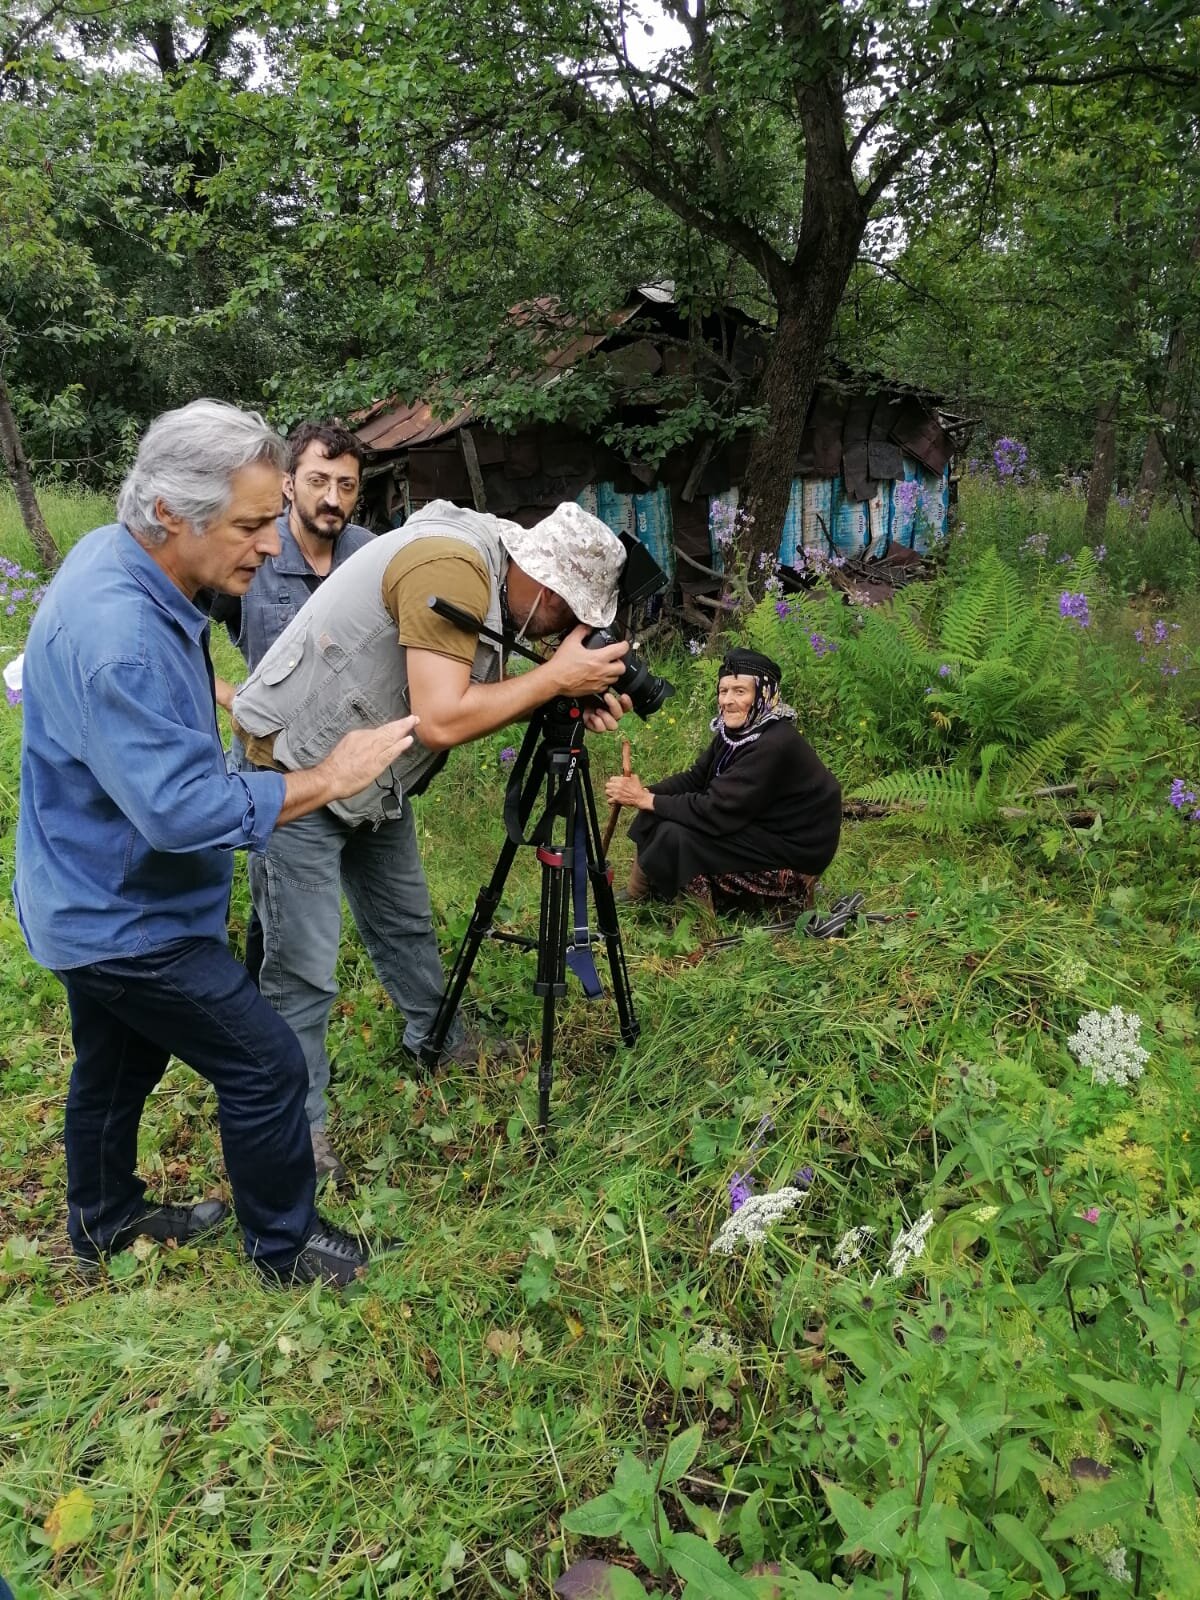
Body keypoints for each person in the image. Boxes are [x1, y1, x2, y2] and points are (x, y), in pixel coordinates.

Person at [13, 398, 419, 1288]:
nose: (270, 545)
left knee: (119, 1061)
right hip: (123, 918)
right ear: (170, 514)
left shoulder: (128, 567)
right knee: (267, 1063)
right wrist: (327, 776)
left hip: (88, 886)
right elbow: (183, 809)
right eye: (248, 525)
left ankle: (104, 1222)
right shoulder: (118, 638)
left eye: (270, 520)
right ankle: (286, 1247)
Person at [231, 498, 632, 1181]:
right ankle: (295, 1133)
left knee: (405, 922)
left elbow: (482, 691)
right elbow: (442, 719)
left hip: (368, 770)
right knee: (303, 969)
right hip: (295, 765)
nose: (571, 631)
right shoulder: (450, 564)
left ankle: (437, 1037)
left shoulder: (500, 586)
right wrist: (556, 678)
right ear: (541, 580)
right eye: (572, 614)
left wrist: (557, 691)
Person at [205, 420, 373, 1078]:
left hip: (360, 769)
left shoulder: (367, 552)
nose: (333, 497)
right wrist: (228, 696)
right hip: (279, 773)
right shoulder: (256, 552)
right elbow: (181, 625)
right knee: (296, 944)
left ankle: (248, 993)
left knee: (286, 913)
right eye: (319, 481)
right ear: (287, 484)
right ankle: (294, 1106)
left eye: (347, 485)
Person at [605, 648, 841, 912]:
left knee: (676, 834)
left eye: (740, 691)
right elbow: (696, 778)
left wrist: (645, 799)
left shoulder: (775, 743)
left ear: (764, 695)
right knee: (655, 810)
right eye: (723, 691)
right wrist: (643, 793)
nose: (727, 700)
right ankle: (638, 893)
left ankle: (696, 918)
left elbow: (714, 811)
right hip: (758, 824)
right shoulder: (741, 731)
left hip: (793, 849)